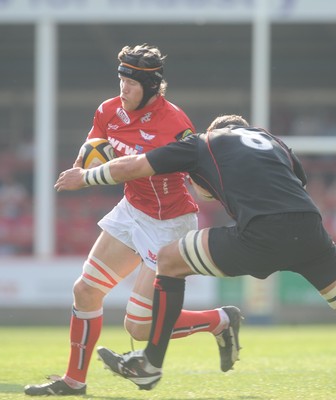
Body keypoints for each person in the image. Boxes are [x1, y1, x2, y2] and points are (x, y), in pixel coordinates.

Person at [53, 114, 336, 391]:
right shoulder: (272, 141)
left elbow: (136, 165)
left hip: (260, 235)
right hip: (310, 230)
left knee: (169, 260)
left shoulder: (203, 143)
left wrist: (86, 177)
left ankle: (150, 363)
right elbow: (297, 181)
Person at [24, 46, 242, 396]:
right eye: (121, 79)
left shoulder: (175, 124)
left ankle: (220, 320)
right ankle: (74, 382)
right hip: (132, 211)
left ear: (152, 87)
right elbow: (93, 148)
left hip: (170, 223)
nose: (123, 88)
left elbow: (165, 172)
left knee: (139, 326)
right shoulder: (108, 110)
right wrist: (87, 159)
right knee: (85, 291)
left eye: (131, 83)